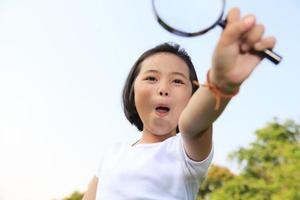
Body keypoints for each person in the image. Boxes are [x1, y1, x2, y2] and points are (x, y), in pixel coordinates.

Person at [82, 8, 276, 200]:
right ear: (133, 91)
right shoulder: (112, 154)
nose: (163, 88)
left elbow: (192, 124)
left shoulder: (184, 150)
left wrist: (220, 84)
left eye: (177, 81)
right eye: (151, 78)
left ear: (192, 97)